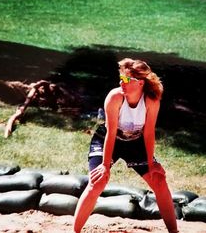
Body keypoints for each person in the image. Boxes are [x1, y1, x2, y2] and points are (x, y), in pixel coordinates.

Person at [73, 58, 179, 233]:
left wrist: (151, 164)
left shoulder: (151, 100)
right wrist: (105, 166)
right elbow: (111, 132)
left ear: (140, 83)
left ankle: (174, 231)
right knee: (97, 182)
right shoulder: (115, 97)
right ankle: (74, 231)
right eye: (121, 78)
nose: (121, 82)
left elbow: (149, 133)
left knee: (159, 180)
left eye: (126, 79)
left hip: (135, 143)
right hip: (109, 140)